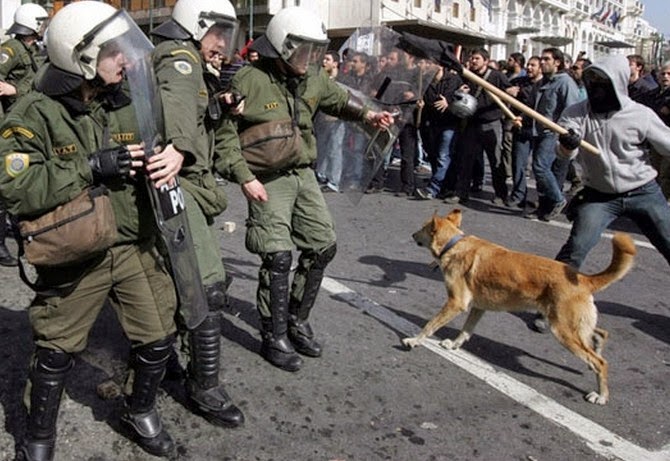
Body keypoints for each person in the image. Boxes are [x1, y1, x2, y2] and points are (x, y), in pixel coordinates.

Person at [0, 2, 182, 459]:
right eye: (114, 51)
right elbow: (16, 187)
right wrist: (87, 168)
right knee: (56, 351)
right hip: (76, 251)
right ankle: (39, 437)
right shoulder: (33, 113)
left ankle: (138, 410)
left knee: (158, 336)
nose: (126, 60)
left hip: (133, 243)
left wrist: (174, 155)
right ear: (81, 56)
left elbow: (165, 140)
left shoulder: (126, 101)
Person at [229, 6, 393, 372]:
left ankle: (296, 320)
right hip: (267, 178)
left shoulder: (314, 77)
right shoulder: (248, 81)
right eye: (304, 50)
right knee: (277, 257)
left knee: (322, 246)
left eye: (316, 51)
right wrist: (243, 176)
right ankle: (273, 334)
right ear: (283, 47)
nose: (312, 58)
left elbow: (337, 98)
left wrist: (369, 114)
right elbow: (224, 135)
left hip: (303, 173)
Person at [150, 0, 265, 428]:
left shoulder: (199, 65)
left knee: (180, 278)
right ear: (196, 28)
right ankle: (205, 386)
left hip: (192, 184)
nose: (223, 44)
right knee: (208, 284)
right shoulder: (179, 58)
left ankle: (164, 360)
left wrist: (219, 103)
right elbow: (177, 103)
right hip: (174, 181)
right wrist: (179, 147)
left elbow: (200, 115)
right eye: (218, 33)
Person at [533, 55, 670, 333]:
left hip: (643, 190)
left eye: (603, 83)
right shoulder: (577, 112)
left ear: (618, 84)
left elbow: (667, 145)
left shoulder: (640, 114)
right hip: (599, 195)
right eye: (592, 82)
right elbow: (564, 154)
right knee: (576, 248)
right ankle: (550, 306)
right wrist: (568, 143)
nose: (597, 88)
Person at [0, 2, 49, 268]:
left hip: (24, 123)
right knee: (8, 185)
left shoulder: (28, 49)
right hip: (11, 125)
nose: (42, 27)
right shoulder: (11, 50)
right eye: (39, 22)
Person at [445, 47, 511, 205]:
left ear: (486, 61)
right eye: (472, 58)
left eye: (477, 59)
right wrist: (459, 92)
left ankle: (501, 194)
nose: (473, 61)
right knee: (466, 160)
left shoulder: (497, 76)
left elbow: (509, 92)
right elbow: (456, 95)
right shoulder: (468, 76)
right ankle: (461, 193)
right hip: (471, 123)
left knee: (495, 161)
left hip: (490, 123)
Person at [523, 47, 580, 221]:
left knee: (540, 167)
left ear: (557, 62)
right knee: (541, 171)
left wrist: (566, 133)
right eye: (541, 58)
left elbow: (572, 110)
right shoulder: (542, 82)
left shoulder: (565, 83)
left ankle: (558, 199)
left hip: (554, 133)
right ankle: (543, 207)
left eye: (546, 59)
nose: (542, 62)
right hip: (538, 131)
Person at [415, 66, 463, 200]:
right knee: (434, 155)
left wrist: (449, 102)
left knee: (443, 156)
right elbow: (430, 100)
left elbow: (459, 98)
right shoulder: (425, 80)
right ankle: (445, 186)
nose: (427, 66)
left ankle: (433, 188)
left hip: (449, 123)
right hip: (432, 123)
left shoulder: (453, 79)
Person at [506, 55, 543, 208]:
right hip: (522, 128)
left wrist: (521, 94)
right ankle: (519, 194)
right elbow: (504, 87)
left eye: (533, 65)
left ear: (540, 68)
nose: (529, 67)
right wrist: (508, 91)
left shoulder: (545, 85)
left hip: (540, 130)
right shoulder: (518, 82)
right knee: (518, 163)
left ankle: (542, 198)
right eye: (528, 64)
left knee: (540, 166)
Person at [314, 50, 345, 192]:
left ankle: (335, 181)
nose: (324, 62)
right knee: (322, 148)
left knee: (335, 149)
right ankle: (322, 174)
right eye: (323, 59)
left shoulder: (341, 81)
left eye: (327, 59)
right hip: (322, 119)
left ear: (335, 63)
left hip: (336, 121)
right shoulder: (322, 78)